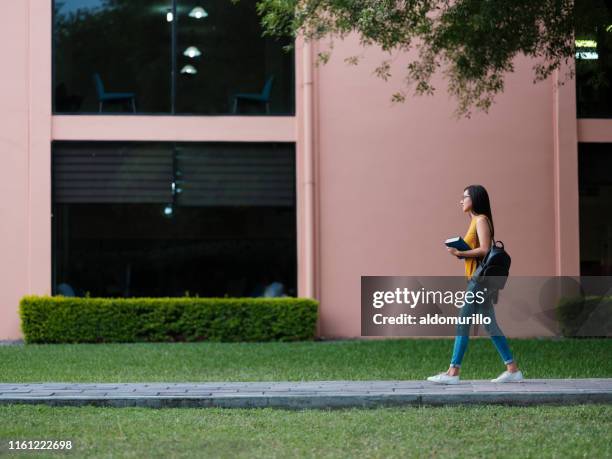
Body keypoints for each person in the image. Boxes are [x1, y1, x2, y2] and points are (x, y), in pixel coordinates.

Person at [427, 184, 524, 384]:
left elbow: (485, 249)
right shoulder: (474, 221)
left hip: (479, 282)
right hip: (477, 280)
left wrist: (460, 253)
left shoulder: (480, 220)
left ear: (475, 200)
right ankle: (512, 369)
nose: (461, 200)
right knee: (490, 325)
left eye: (465, 197)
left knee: (463, 321)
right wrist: (461, 252)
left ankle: (453, 372)